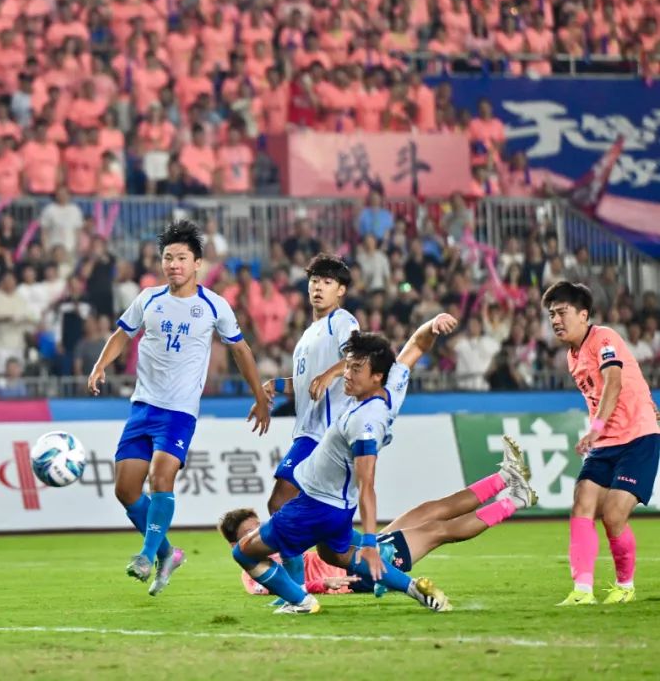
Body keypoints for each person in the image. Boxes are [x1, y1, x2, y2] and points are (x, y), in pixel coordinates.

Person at [87, 220, 271, 596]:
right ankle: (168, 554)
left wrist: (259, 396)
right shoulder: (149, 299)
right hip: (143, 407)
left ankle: (146, 555)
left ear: (197, 263)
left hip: (179, 412)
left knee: (161, 478)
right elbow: (122, 333)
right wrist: (100, 364)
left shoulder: (213, 305)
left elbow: (240, 350)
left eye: (182, 258)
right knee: (125, 490)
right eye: (168, 257)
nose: (174, 264)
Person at [230, 315, 457, 615]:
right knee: (335, 555)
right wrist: (433, 325)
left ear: (376, 376)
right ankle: (414, 588)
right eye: (347, 366)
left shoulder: (366, 424)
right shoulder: (390, 387)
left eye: (355, 369)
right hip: (337, 507)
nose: (346, 375)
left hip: (315, 507)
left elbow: (367, 485)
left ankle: (300, 601)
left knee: (243, 552)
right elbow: (415, 347)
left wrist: (370, 541)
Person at [220, 435, 536, 597]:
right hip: (359, 572)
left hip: (356, 549)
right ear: (237, 544)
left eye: (257, 526)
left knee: (429, 510)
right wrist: (321, 584)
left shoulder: (278, 537)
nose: (257, 534)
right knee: (440, 530)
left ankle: (505, 478)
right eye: (249, 533)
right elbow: (272, 588)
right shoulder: (252, 572)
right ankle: (515, 500)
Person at [542, 281, 660, 606]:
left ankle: (625, 585)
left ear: (583, 314)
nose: (555, 320)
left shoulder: (603, 337)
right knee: (581, 503)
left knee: (613, 514)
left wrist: (595, 428)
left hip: (637, 437)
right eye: (551, 315)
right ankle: (582, 591)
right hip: (606, 441)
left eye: (562, 312)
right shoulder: (572, 356)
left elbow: (614, 382)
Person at [261, 254, 358, 589]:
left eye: (327, 282)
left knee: (280, 503)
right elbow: (305, 384)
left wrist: (329, 373)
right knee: (327, 533)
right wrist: (276, 385)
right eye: (314, 281)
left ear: (340, 290)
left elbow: (357, 356)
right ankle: (377, 553)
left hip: (323, 434)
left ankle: (296, 589)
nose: (318, 287)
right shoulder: (307, 335)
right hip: (308, 431)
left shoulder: (342, 321)